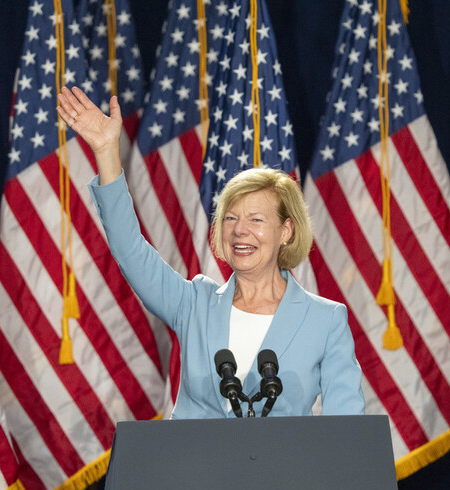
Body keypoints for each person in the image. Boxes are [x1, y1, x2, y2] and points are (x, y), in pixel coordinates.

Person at [57, 86, 365, 419]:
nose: (239, 230)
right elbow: (130, 250)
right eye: (230, 218)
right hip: (191, 470)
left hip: (285, 471)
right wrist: (106, 151)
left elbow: (345, 431)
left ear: (286, 231)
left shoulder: (325, 319)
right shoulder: (194, 303)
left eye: (256, 219)